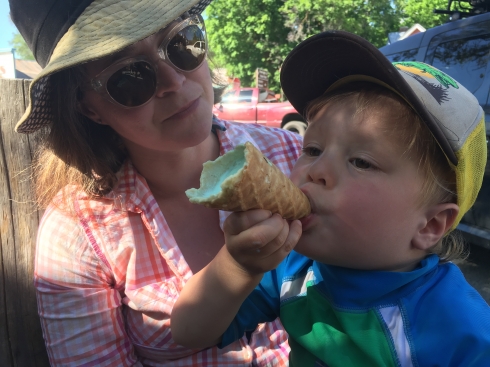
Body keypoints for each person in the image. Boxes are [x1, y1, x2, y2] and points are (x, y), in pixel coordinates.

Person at [171, 31, 490, 366]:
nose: (316, 169)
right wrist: (237, 267)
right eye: (312, 149)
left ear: (430, 224)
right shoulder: (292, 269)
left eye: (361, 161)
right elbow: (189, 332)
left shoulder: (459, 330)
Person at [9, 0, 302, 365]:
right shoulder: (77, 232)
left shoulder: (296, 155)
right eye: (130, 77)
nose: (174, 81)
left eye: (183, 41)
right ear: (89, 108)